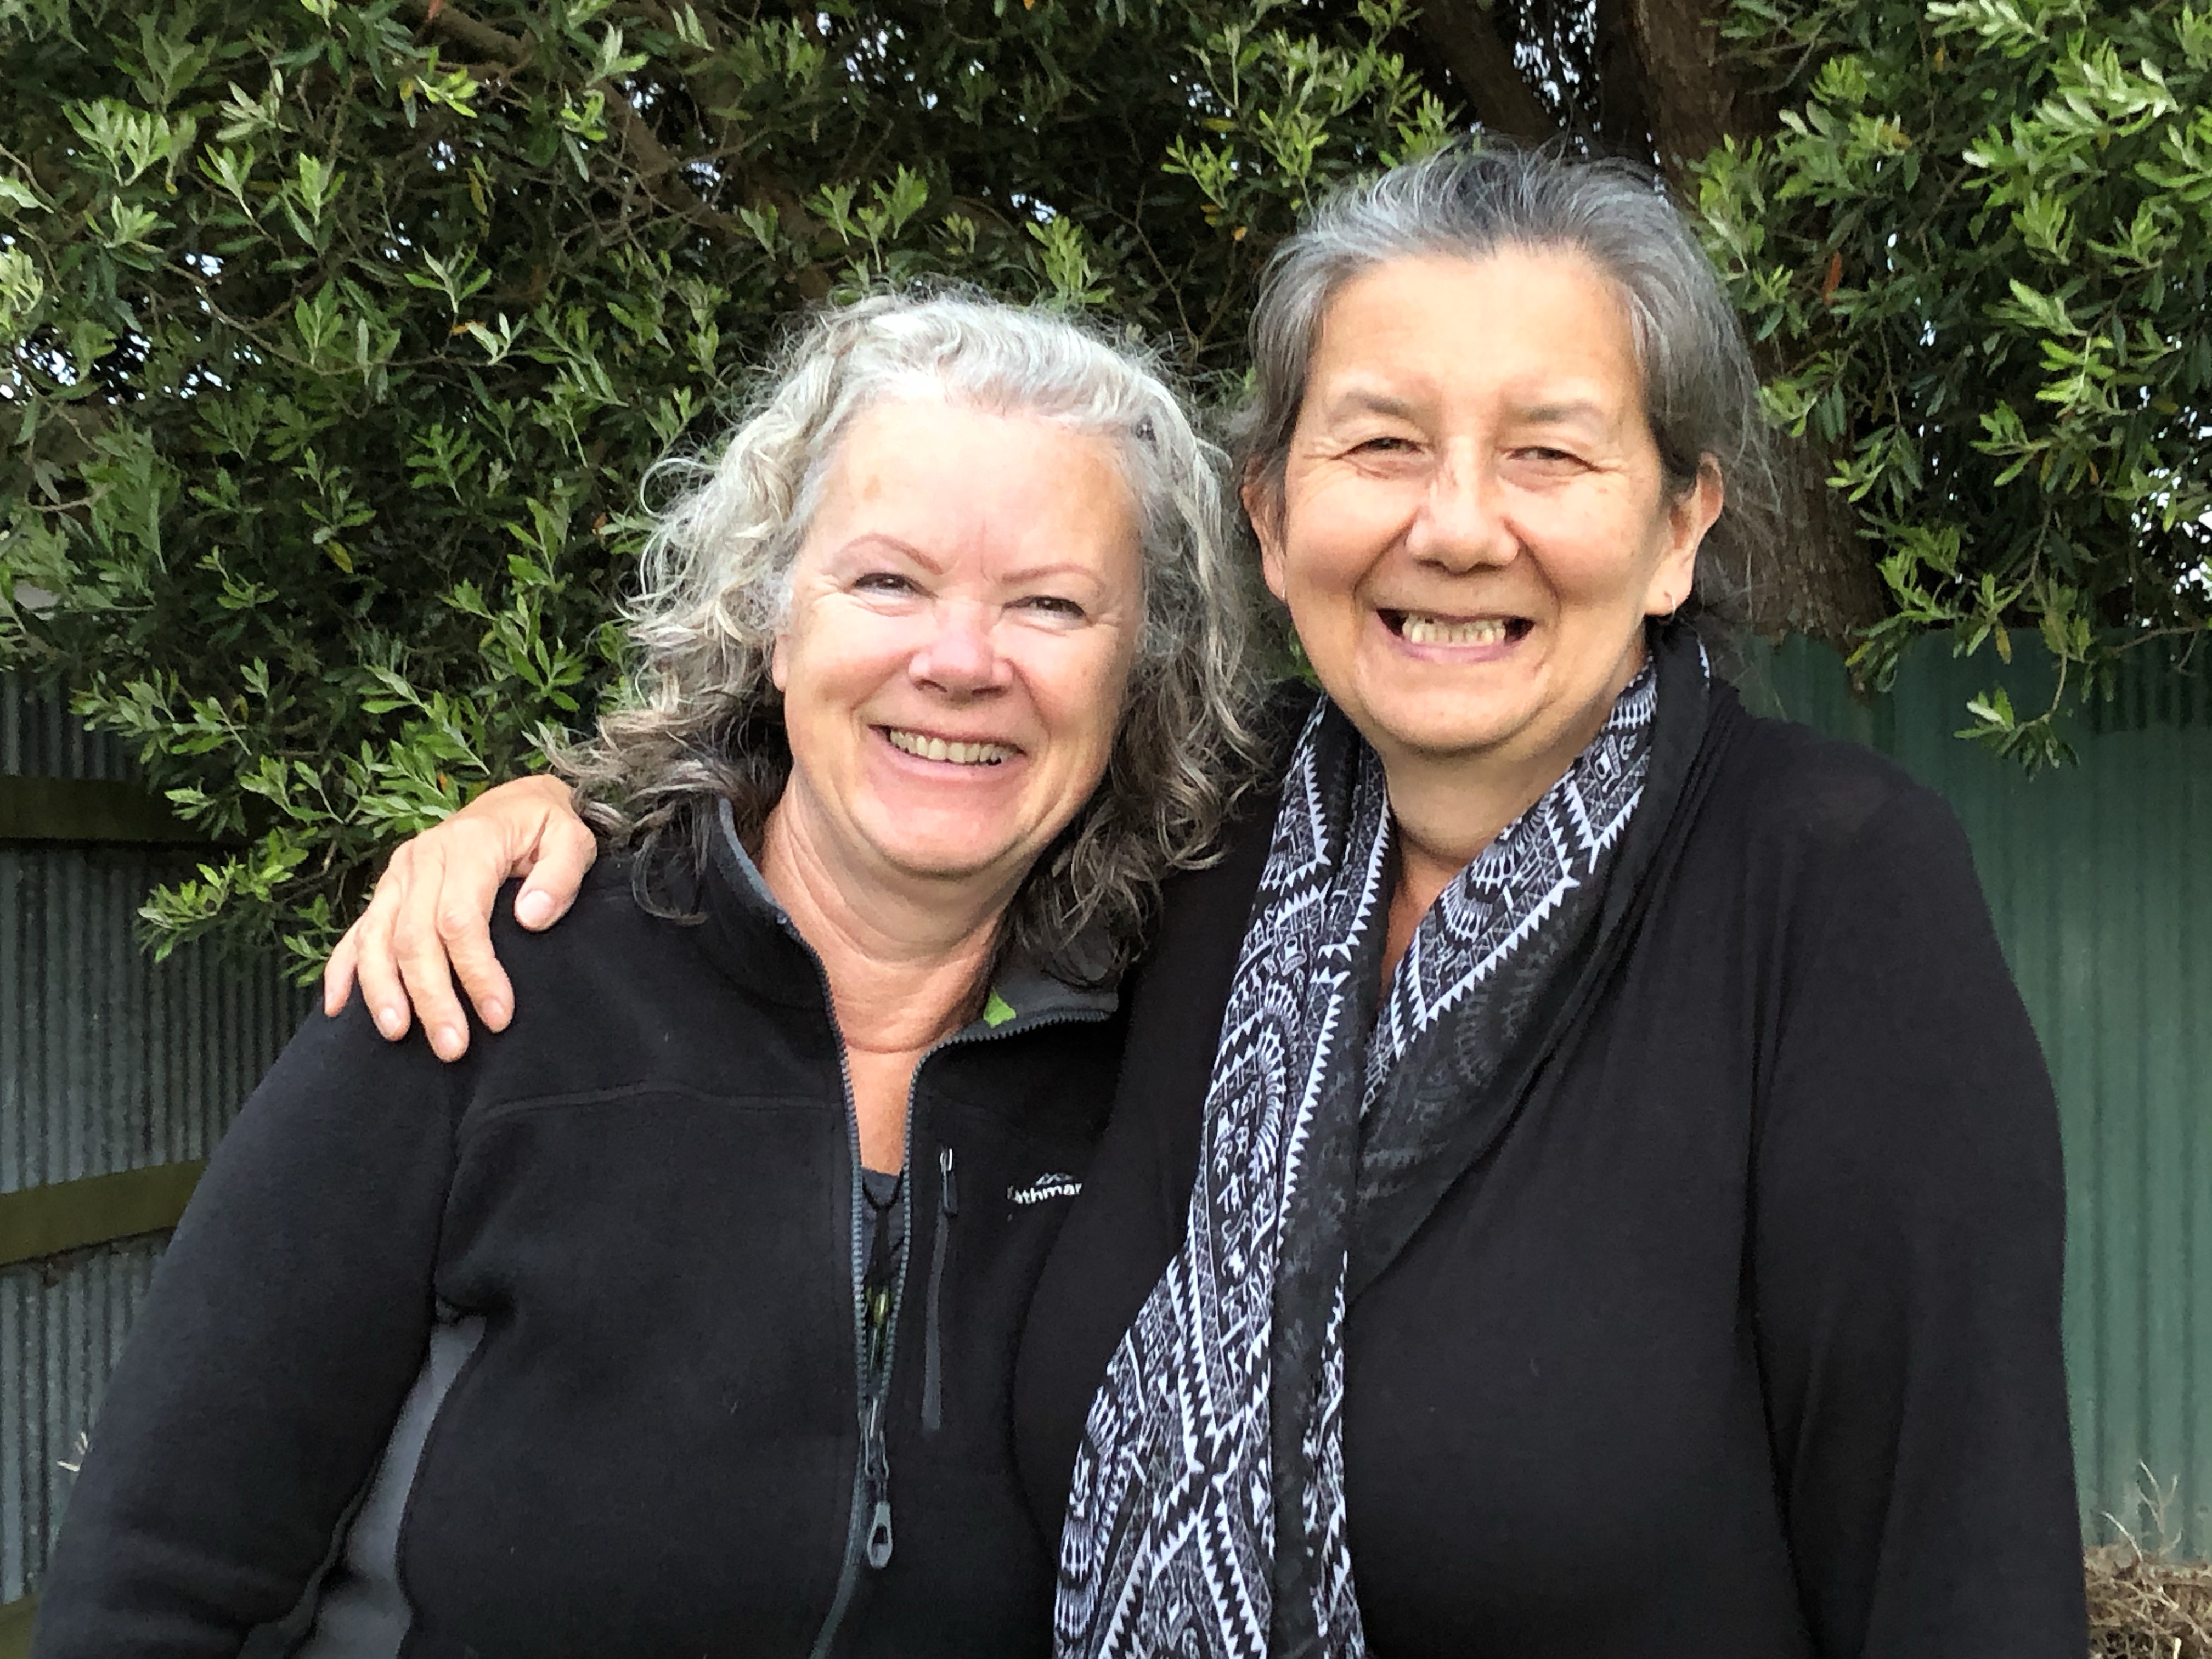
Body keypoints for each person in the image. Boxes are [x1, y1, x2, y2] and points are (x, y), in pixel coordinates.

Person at [320, 145, 2089, 1658]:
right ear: (1271, 512)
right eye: (1380, 445)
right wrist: (554, 823)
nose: (1456, 527)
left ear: (1680, 525)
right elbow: (891, 788)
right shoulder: (1198, 851)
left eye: (1550, 455)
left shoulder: (1830, 891)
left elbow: (1959, 1563)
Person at [31, 293, 1267, 1659]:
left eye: (1049, 604)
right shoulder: (481, 986)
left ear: (1137, 673)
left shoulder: (1180, 1052)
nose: (962, 661)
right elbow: (158, 1585)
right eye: (887, 583)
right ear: (774, 620)